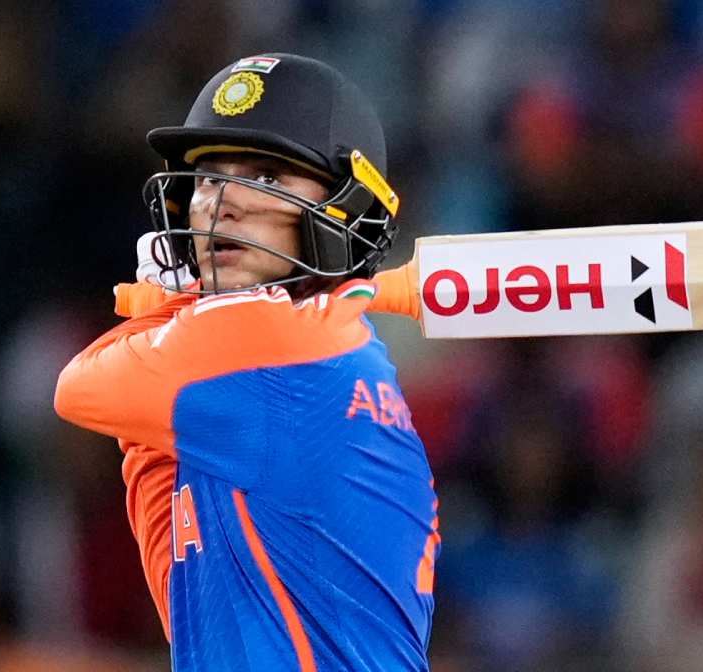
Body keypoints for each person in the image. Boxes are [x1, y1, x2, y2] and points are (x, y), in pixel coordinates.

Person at [54, 53, 440, 672]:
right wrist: (177, 318)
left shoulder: (264, 342)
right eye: (208, 178)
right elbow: (186, 601)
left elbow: (76, 389)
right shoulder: (339, 356)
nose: (221, 203)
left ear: (346, 206)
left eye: (267, 175)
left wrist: (168, 308)